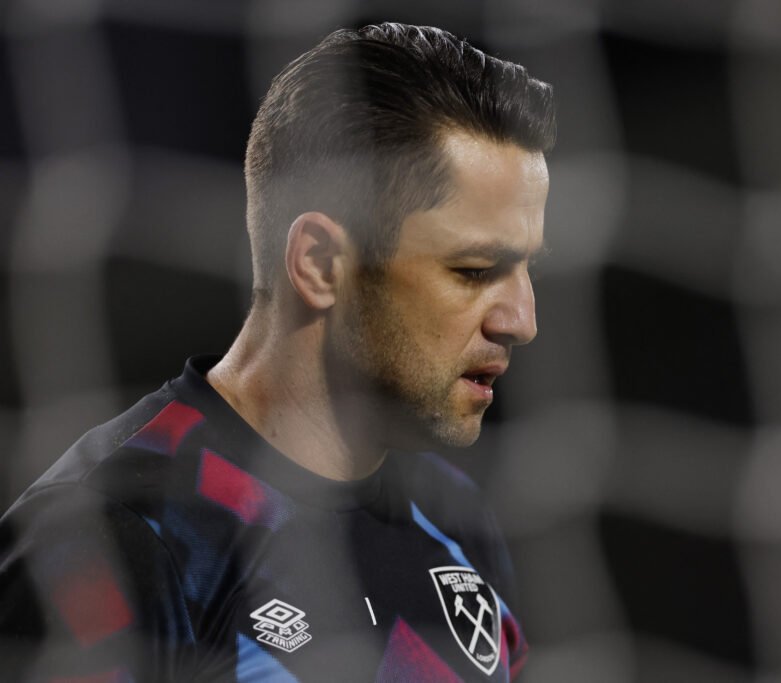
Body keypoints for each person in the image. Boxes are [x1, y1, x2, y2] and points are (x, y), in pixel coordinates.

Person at [0, 22, 555, 682]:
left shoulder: (456, 521)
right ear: (320, 262)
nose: (522, 320)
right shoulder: (111, 537)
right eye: (473, 270)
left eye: (528, 271)